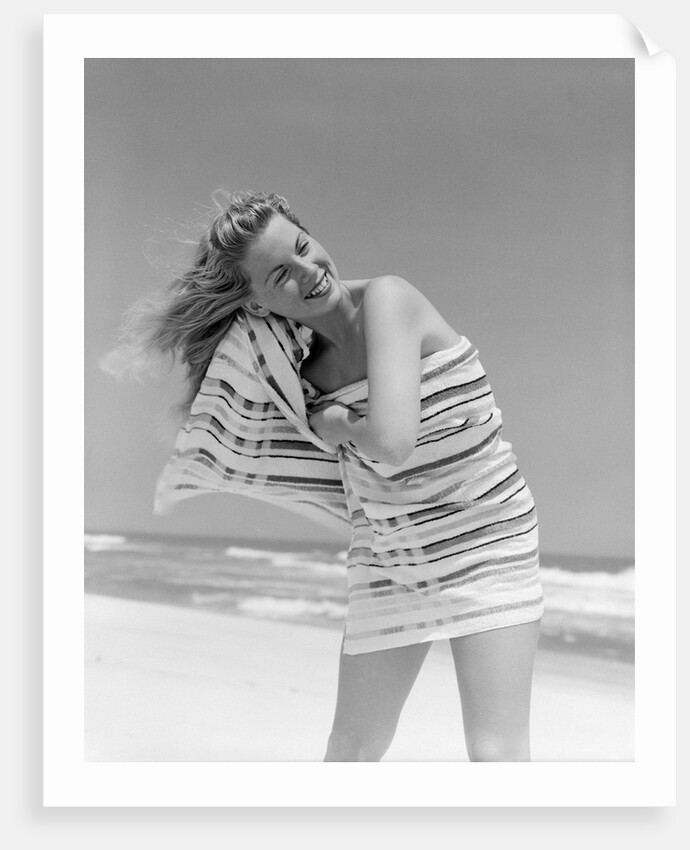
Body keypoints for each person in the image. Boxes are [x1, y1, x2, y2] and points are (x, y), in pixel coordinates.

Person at [107, 190, 544, 762]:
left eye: (304, 247)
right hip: (391, 554)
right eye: (280, 275)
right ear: (258, 305)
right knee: (351, 748)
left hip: (487, 540)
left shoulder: (390, 299)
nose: (310, 272)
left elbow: (391, 441)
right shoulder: (298, 372)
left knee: (494, 753)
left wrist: (336, 422)